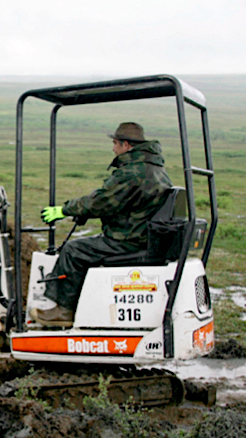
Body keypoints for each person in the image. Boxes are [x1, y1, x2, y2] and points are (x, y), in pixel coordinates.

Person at [31, 122, 172, 327]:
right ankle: (78, 304)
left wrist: (64, 210)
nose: (113, 148)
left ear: (126, 145)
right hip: (143, 235)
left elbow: (102, 201)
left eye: (115, 143)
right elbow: (122, 204)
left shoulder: (133, 172)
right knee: (84, 247)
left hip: (130, 239)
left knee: (73, 250)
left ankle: (63, 312)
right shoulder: (154, 168)